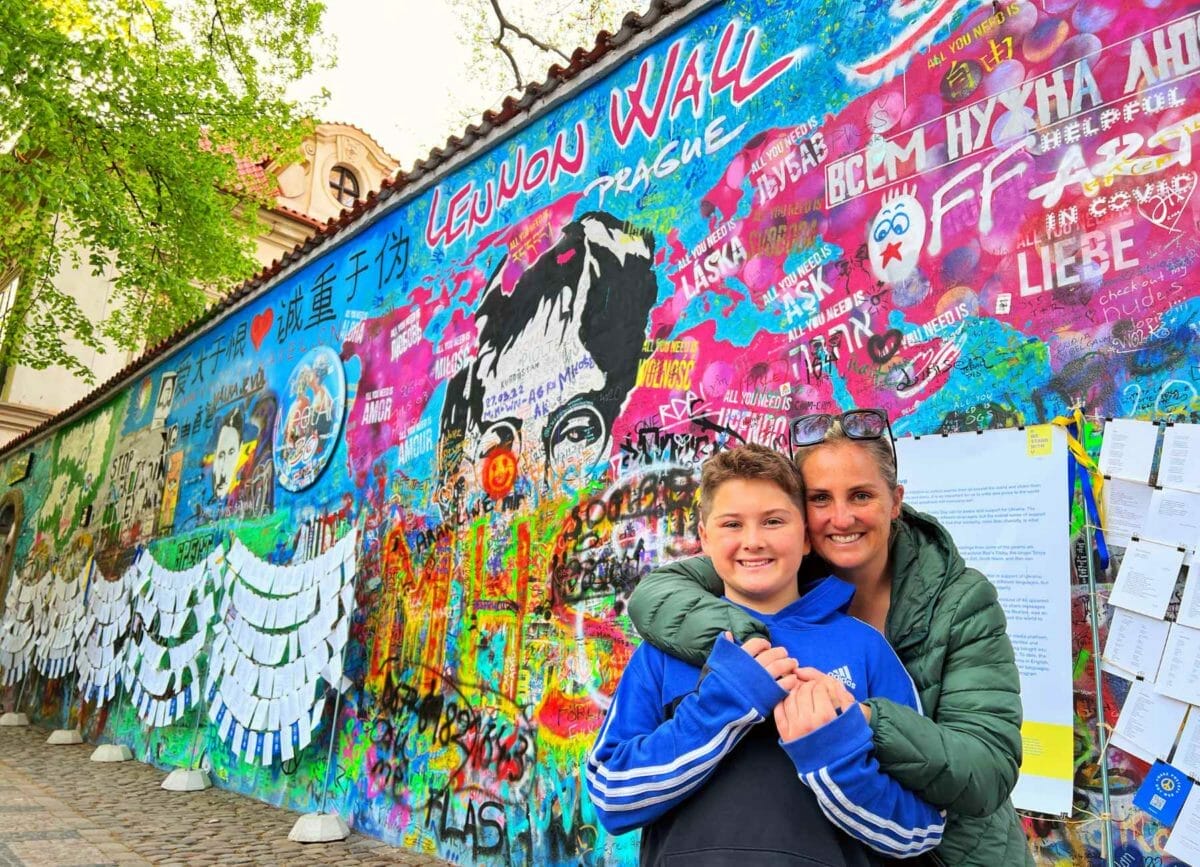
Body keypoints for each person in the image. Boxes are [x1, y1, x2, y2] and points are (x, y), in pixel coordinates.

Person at [628, 410, 1032, 866]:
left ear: (895, 501)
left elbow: (985, 770)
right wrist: (748, 647)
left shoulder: (960, 602)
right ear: (802, 518)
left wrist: (858, 718)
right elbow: (656, 596)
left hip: (954, 853)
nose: (840, 518)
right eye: (820, 498)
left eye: (861, 495)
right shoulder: (777, 563)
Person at [588, 444, 945, 865]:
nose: (753, 542)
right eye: (732, 524)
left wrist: (832, 754)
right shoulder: (663, 651)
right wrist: (721, 706)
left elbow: (922, 830)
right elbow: (612, 799)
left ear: (806, 537)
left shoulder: (865, 647)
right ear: (704, 536)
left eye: (773, 521)